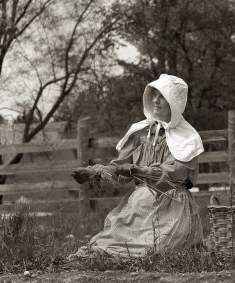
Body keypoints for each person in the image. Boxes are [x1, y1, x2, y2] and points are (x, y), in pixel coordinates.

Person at [72, 74, 204, 258]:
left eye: (162, 96)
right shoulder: (140, 132)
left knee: (158, 248)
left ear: (174, 102)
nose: (156, 100)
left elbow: (179, 172)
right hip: (138, 205)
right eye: (154, 95)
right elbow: (120, 165)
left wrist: (144, 171)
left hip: (172, 204)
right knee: (112, 241)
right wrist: (98, 172)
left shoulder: (187, 137)